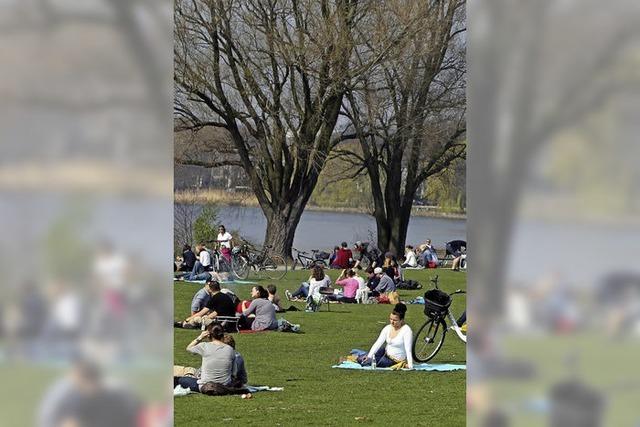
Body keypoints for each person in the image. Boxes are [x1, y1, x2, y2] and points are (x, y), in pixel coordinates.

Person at [175, 325, 236, 392]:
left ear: (208, 335)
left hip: (205, 386)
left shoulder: (204, 346)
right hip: (224, 386)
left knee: (182, 380)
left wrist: (200, 337)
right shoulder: (230, 350)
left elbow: (189, 348)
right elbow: (233, 372)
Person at [358, 303, 413, 369]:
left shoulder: (407, 331)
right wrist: (369, 356)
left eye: (395, 320)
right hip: (384, 352)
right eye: (391, 319)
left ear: (401, 320)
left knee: (368, 363)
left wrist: (410, 365)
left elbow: (408, 350)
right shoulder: (388, 327)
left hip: (393, 360)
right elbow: (378, 342)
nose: (392, 322)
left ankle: (402, 364)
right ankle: (363, 355)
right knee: (361, 359)